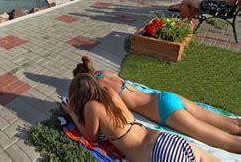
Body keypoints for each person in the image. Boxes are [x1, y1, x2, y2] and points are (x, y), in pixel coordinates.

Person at [72, 56, 241, 153]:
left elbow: (98, 118)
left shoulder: (101, 91)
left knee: (224, 141)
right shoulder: (106, 73)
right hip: (163, 97)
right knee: (232, 124)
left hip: (164, 111)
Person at [62, 74, 217, 161]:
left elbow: (91, 137)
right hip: (166, 140)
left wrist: (72, 114)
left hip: (157, 154)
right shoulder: (109, 92)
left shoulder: (91, 107)